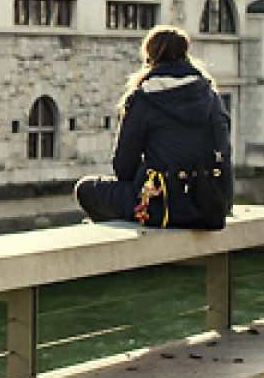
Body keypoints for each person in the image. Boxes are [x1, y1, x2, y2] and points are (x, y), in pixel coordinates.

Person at [75, 25, 234, 229]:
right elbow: (224, 153)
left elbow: (123, 167)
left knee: (86, 189)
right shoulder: (211, 96)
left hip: (159, 206)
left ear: (149, 56)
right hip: (207, 207)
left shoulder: (144, 98)